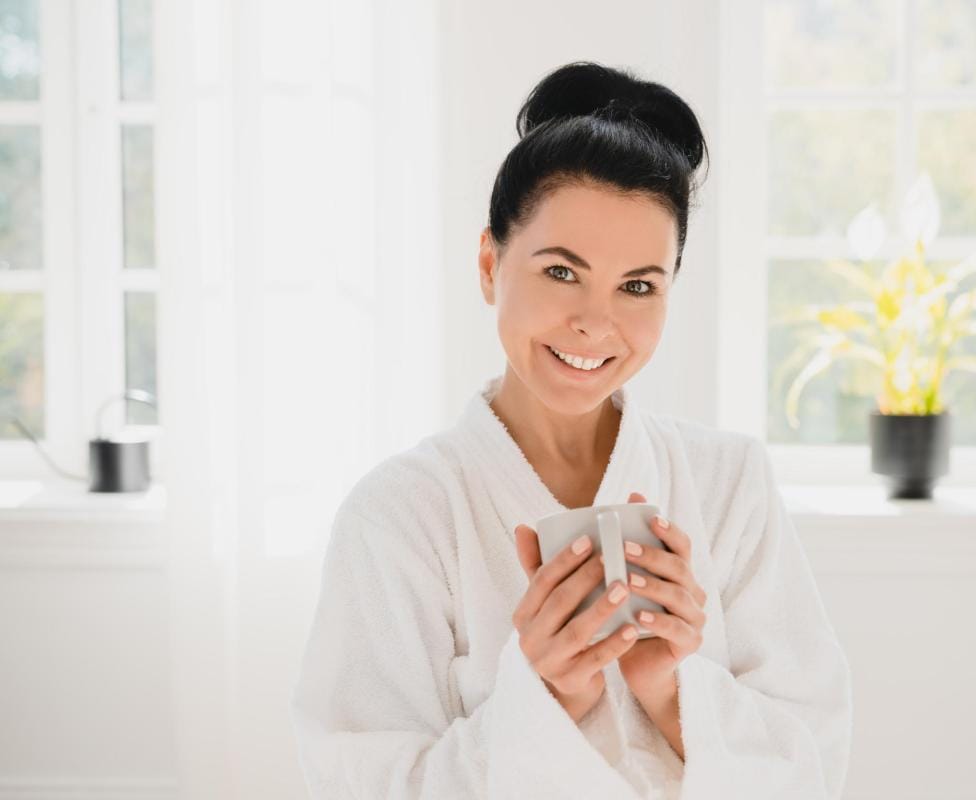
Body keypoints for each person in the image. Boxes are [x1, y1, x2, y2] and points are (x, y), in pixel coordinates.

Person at [290, 61, 853, 799]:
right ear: (490, 264)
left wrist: (674, 688)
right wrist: (547, 698)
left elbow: (815, 764)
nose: (596, 321)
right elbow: (357, 782)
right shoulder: (400, 514)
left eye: (638, 286)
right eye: (561, 272)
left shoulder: (728, 483)